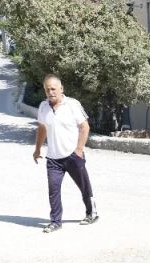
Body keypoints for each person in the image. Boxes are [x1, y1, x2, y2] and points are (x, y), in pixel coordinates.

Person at [33, 74, 98, 234]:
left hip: (72, 156)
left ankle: (91, 213)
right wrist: (37, 149)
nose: (50, 92)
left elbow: (84, 127)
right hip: (53, 159)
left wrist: (79, 150)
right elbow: (42, 128)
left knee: (84, 187)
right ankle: (55, 221)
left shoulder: (72, 105)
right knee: (53, 190)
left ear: (61, 89)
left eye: (53, 89)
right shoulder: (43, 107)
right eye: (47, 90)